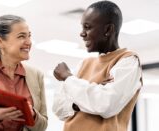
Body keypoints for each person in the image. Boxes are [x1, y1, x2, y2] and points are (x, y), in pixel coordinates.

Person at [52, 1, 142, 131]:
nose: (82, 33)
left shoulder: (128, 61)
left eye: (87, 27)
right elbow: (58, 108)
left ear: (108, 30)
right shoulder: (84, 64)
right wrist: (90, 96)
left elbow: (106, 105)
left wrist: (68, 78)